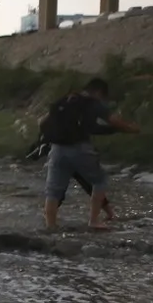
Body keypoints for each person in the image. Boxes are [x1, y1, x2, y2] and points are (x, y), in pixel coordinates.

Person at [39, 78, 139, 231]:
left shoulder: (64, 100)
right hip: (80, 148)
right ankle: (94, 220)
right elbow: (113, 120)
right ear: (99, 92)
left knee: (53, 189)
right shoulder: (91, 102)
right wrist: (132, 129)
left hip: (57, 149)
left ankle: (50, 226)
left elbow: (43, 121)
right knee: (100, 181)